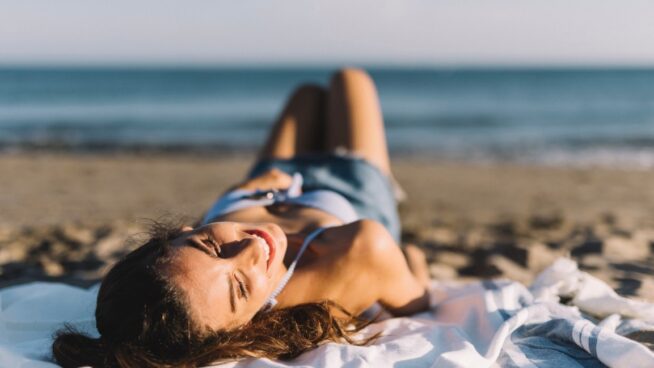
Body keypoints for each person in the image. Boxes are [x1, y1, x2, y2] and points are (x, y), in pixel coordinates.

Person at [52, 68, 432, 368]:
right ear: (240, 329)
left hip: (266, 180)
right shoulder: (358, 252)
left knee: (308, 95)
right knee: (350, 78)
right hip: (351, 186)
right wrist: (410, 255)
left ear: (182, 232)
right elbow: (416, 299)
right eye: (240, 288)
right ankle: (390, 187)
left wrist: (254, 187)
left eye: (211, 245)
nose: (252, 245)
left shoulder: (192, 285)